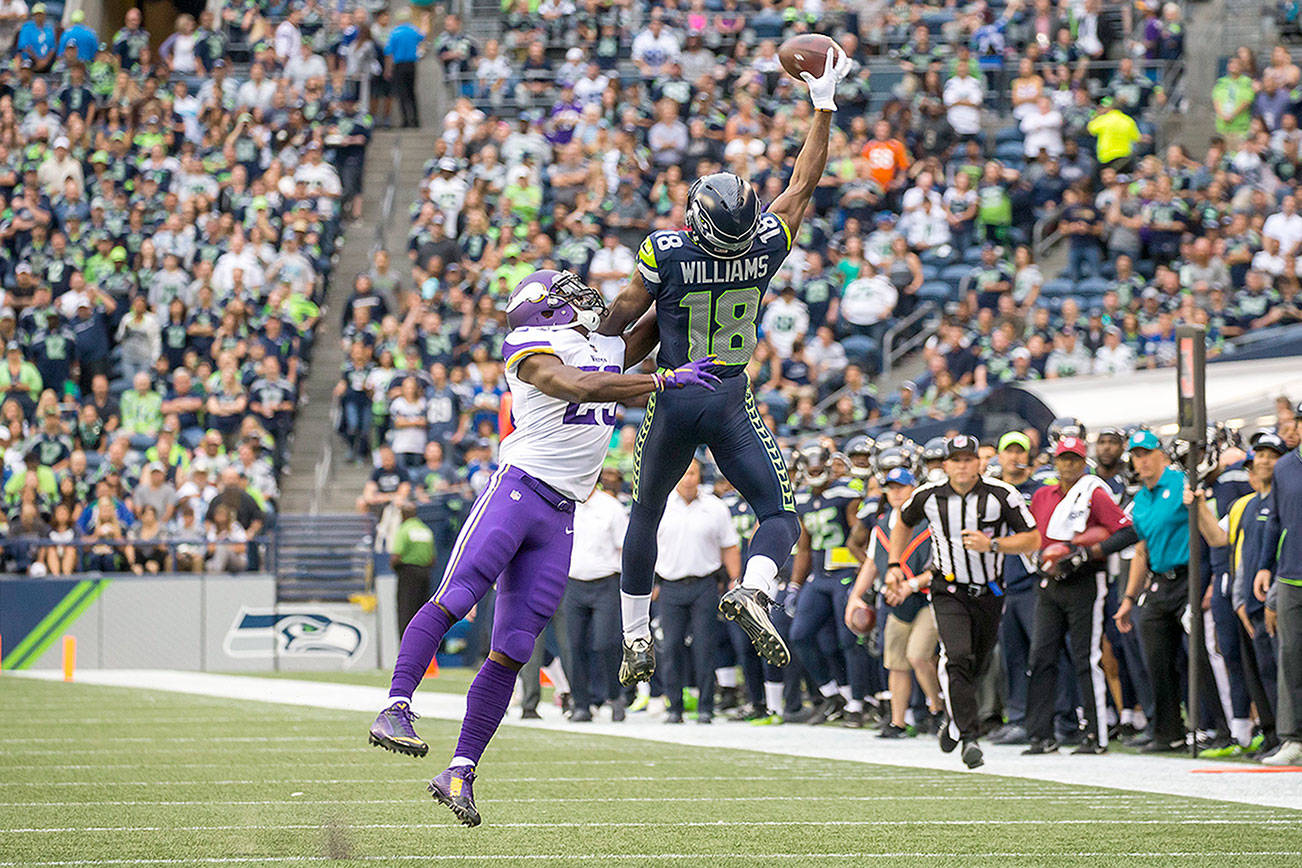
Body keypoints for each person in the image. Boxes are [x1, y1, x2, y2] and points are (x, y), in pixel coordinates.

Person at [366, 269, 717, 827]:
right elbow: (578, 386)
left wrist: (696, 274)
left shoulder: (600, 343)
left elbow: (657, 317)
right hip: (517, 490)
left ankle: (460, 769)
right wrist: (664, 382)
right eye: (564, 293)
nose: (580, 296)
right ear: (542, 310)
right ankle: (395, 705)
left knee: (514, 646)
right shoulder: (530, 346)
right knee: (455, 596)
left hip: (560, 515)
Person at [598, 45, 853, 684]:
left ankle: (634, 634)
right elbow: (803, 183)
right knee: (778, 515)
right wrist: (822, 102)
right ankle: (755, 588)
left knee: (646, 514)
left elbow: (620, 320)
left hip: (675, 395)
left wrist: (588, 361)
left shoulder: (669, 253)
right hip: (732, 397)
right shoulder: (765, 247)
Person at [888, 435, 1040, 769]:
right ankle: (970, 737)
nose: (962, 466)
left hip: (989, 591)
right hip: (948, 589)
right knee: (957, 657)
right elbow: (902, 520)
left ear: (979, 463)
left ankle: (954, 722)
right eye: (955, 460)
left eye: (968, 459)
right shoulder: (928, 496)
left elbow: (1033, 538)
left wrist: (994, 545)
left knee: (978, 664)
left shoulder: (1002, 495)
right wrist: (893, 565)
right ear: (946, 465)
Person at [1113, 429, 1230, 752]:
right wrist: (1128, 599)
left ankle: (1223, 728)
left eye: (1147, 453)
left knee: (1199, 653)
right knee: (1154, 653)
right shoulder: (1141, 500)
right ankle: (1168, 732)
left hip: (1192, 575)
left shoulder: (1181, 484)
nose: (1143, 460)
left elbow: (1217, 538)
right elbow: (1141, 550)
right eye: (1137, 455)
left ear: (1161, 455)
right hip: (1160, 581)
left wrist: (1200, 506)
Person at [1023, 436, 1135, 755]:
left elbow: (1128, 531)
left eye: (1074, 459)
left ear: (1083, 462)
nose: (1068, 465)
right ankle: (1041, 734)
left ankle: (1096, 736)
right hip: (1050, 580)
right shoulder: (1043, 495)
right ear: (1055, 462)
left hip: (1084, 580)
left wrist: (1087, 553)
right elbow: (1034, 537)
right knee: (1041, 656)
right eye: (1063, 459)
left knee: (1086, 657)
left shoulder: (1093, 493)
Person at [847, 465, 942, 738]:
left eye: (901, 487)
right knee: (896, 661)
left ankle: (937, 708)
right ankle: (898, 720)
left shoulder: (928, 521)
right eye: (891, 488)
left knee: (919, 654)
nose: (896, 493)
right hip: (895, 601)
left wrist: (910, 586)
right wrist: (855, 596)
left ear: (914, 489)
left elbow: (937, 566)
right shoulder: (881, 524)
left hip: (926, 598)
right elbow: (870, 564)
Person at [653, 460, 741, 724]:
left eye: (692, 472)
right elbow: (648, 547)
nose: (687, 478)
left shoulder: (715, 507)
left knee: (705, 647)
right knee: (670, 648)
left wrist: (735, 580)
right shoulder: (661, 505)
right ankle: (674, 707)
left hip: (705, 584)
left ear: (700, 475)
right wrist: (651, 583)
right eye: (683, 472)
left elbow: (730, 546)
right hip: (669, 585)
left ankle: (705, 707)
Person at [788, 445, 868, 726]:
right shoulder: (802, 499)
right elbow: (805, 548)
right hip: (820, 576)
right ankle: (831, 694)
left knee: (848, 640)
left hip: (846, 572)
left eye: (818, 468)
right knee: (799, 634)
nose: (814, 474)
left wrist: (865, 572)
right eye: (810, 470)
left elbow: (860, 538)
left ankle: (857, 704)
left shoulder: (846, 494)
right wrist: (795, 585)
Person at [1254, 413, 1302, 766]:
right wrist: (1264, 566)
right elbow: (1275, 520)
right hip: (1291, 575)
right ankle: (1293, 738)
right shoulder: (1284, 466)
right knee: (1290, 657)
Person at [563, 476, 628, 722]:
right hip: (574, 583)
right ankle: (581, 703)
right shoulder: (567, 504)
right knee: (575, 645)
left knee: (605, 643)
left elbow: (623, 548)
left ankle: (614, 695)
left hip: (605, 582)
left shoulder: (611, 507)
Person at [391, 502, 436, 636]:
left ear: (403, 515)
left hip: (407, 573)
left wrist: (394, 567)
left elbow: (396, 556)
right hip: (425, 573)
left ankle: (405, 647)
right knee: (421, 612)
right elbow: (432, 559)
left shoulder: (404, 529)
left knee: (406, 611)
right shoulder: (425, 530)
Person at [386, 10, 425, 128]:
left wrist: (388, 69)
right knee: (412, 92)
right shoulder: (413, 30)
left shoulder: (395, 33)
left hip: (399, 65)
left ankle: (405, 121)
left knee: (402, 94)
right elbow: (423, 36)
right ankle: (416, 120)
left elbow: (389, 52)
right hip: (411, 65)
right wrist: (425, 21)